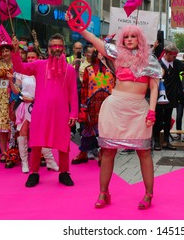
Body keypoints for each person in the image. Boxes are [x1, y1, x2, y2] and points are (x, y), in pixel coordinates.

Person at [69, 14, 161, 209]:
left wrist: (152, 111)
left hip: (138, 110)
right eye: (126, 37)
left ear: (139, 39)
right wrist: (78, 26)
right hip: (115, 108)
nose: (129, 40)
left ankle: (148, 194)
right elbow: (93, 39)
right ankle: (103, 193)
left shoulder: (150, 60)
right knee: (108, 151)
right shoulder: (116, 54)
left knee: (144, 152)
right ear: (122, 39)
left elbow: (154, 88)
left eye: (133, 37)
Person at [11, 33, 78, 187]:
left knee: (63, 143)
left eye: (59, 46)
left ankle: (64, 173)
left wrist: (74, 113)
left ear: (64, 49)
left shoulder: (70, 70)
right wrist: (15, 52)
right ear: (48, 49)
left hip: (61, 113)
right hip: (41, 111)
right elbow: (20, 67)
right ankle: (34, 173)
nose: (56, 48)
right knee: (36, 142)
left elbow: (73, 93)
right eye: (53, 46)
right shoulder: (39, 65)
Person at [8, 48, 59, 173]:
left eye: (33, 57)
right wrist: (10, 79)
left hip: (38, 106)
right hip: (23, 106)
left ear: (38, 58)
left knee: (41, 134)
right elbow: (16, 91)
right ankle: (25, 163)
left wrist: (34, 99)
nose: (30, 59)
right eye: (29, 57)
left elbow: (48, 90)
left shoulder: (44, 71)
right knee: (23, 133)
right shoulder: (21, 73)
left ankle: (50, 161)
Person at [72, 47, 116, 164]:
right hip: (91, 105)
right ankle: (84, 152)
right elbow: (84, 90)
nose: (101, 57)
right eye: (99, 54)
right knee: (87, 129)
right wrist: (83, 108)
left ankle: (103, 152)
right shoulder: (88, 69)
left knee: (105, 130)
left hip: (108, 105)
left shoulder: (112, 70)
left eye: (103, 55)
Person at [153, 43, 184, 151]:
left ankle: (166, 141)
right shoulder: (157, 64)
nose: (175, 58)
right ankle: (157, 141)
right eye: (173, 55)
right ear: (166, 54)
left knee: (168, 119)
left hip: (171, 96)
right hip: (158, 96)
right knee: (158, 119)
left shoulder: (176, 63)